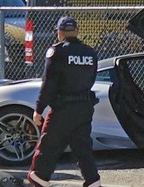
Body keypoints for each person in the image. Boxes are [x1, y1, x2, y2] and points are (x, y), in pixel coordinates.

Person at [27, 16, 100, 187]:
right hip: (84, 108)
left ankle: (39, 178)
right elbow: (91, 78)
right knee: (82, 147)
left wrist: (39, 108)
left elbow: (48, 84)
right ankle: (93, 181)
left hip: (63, 108)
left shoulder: (57, 52)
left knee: (48, 145)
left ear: (59, 33)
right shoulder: (90, 52)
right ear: (77, 31)